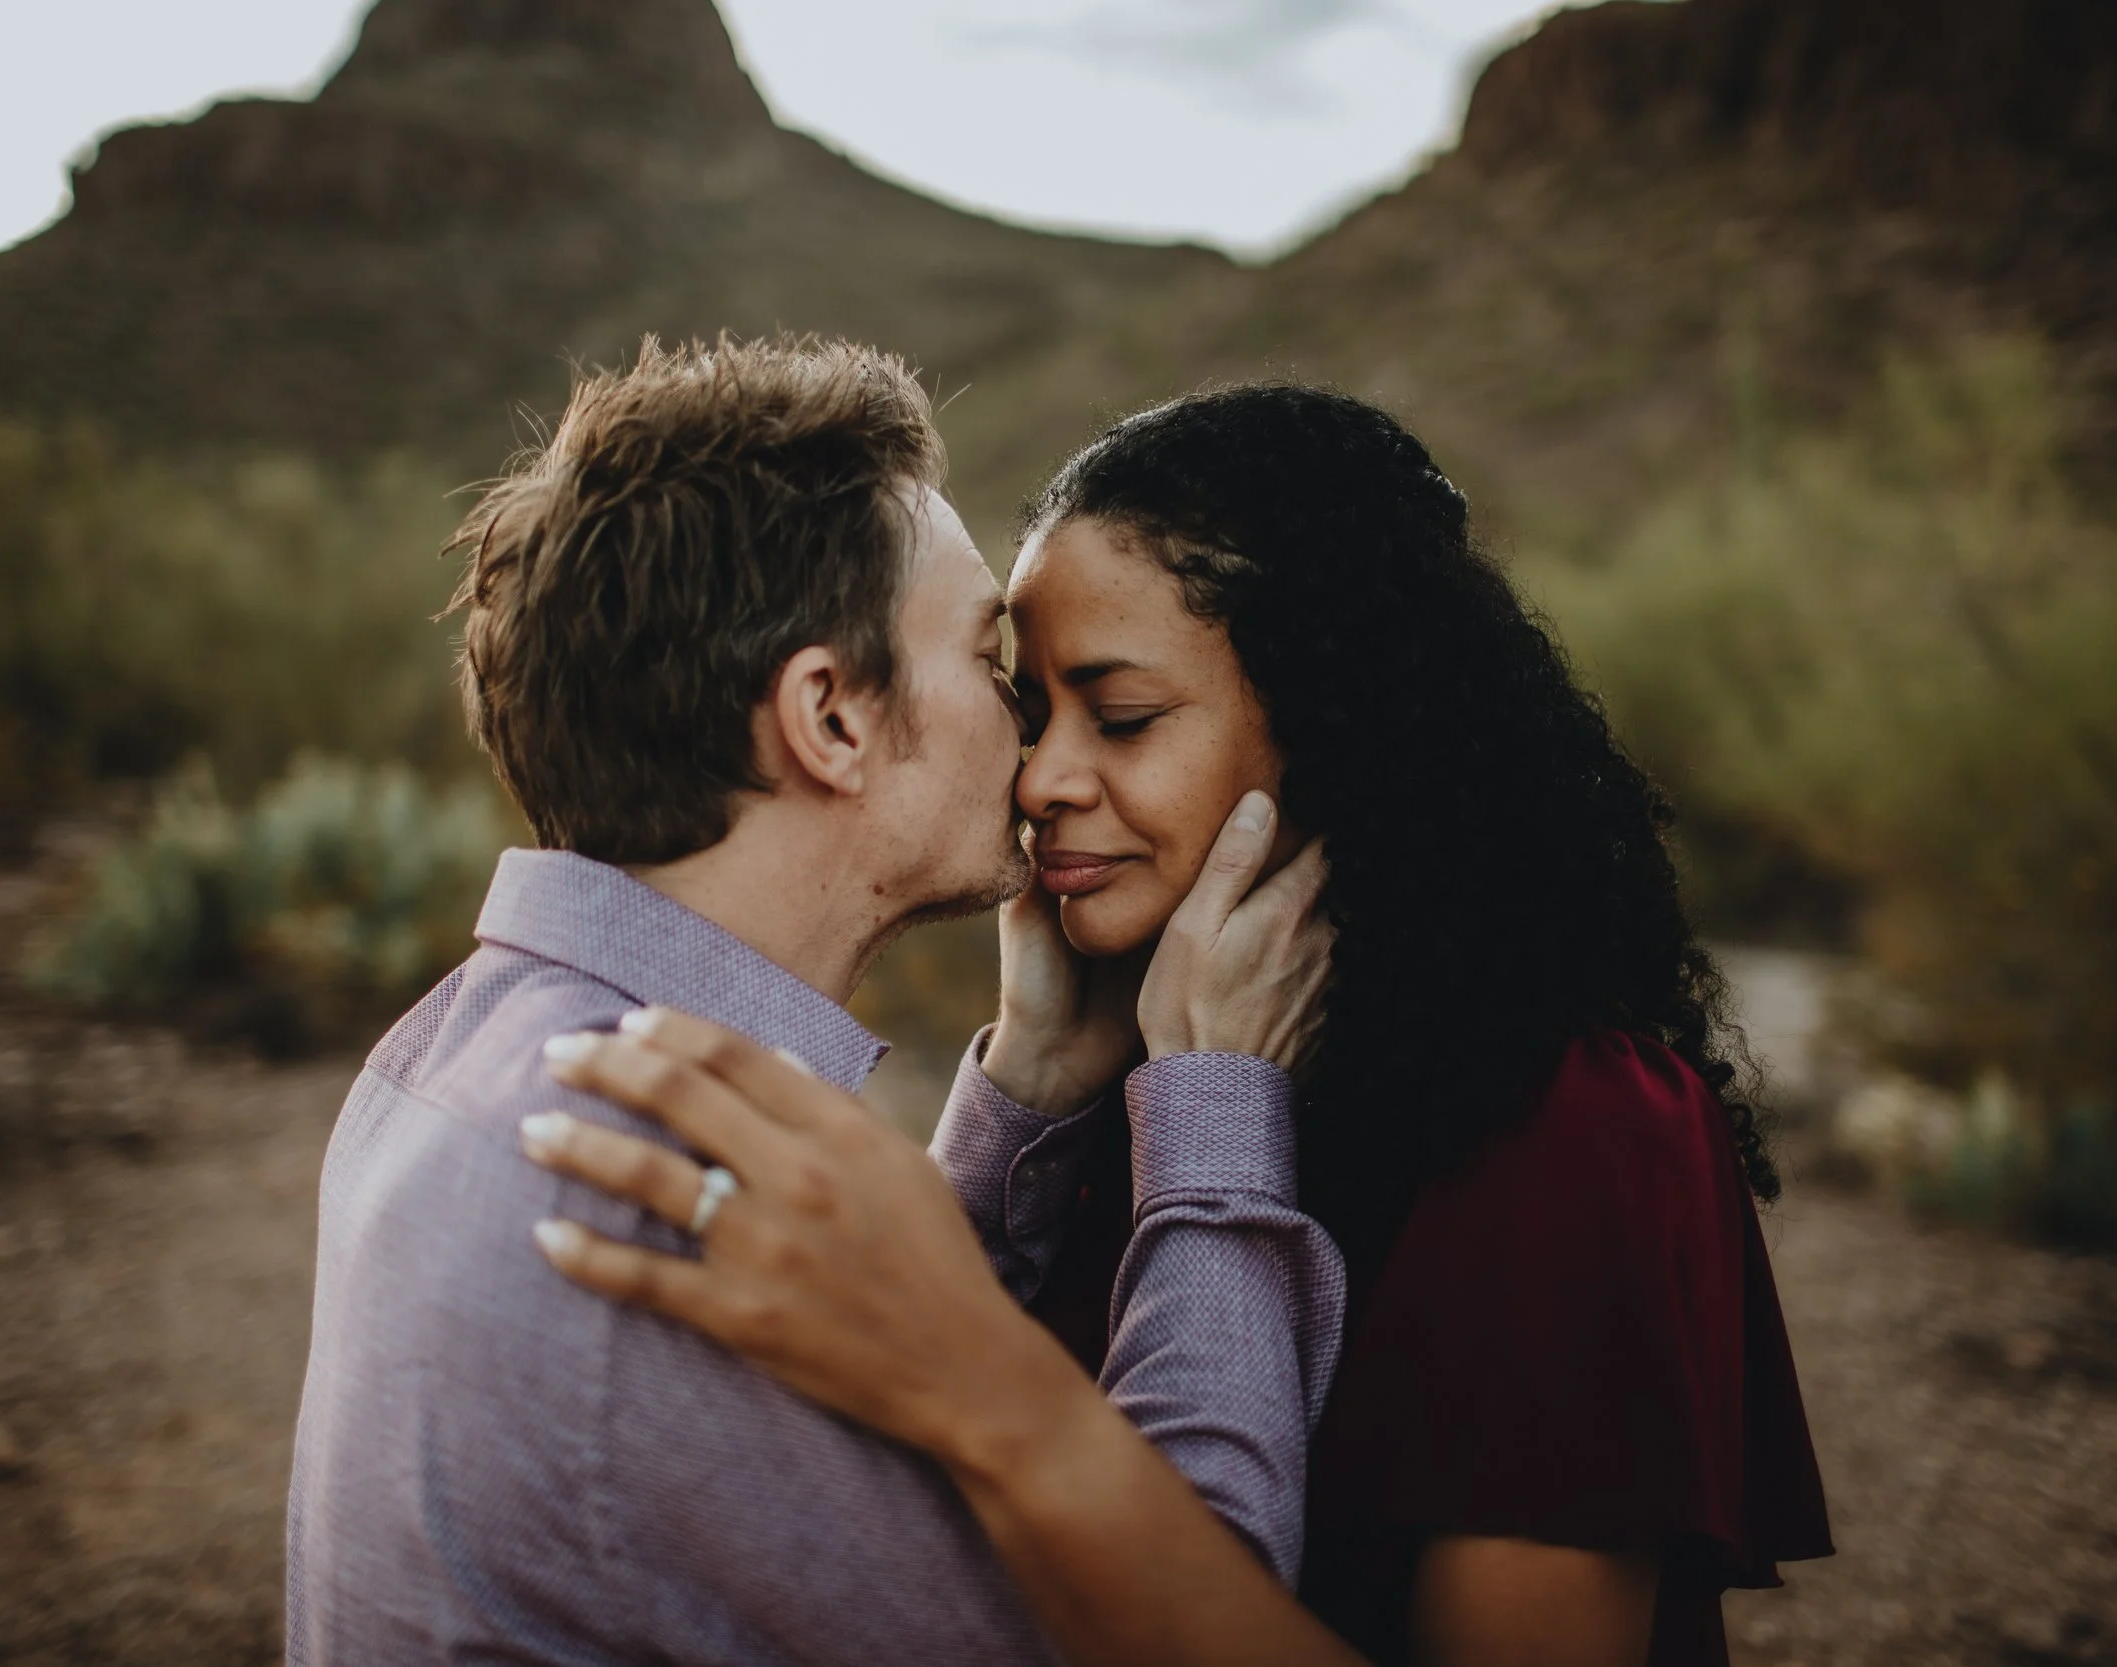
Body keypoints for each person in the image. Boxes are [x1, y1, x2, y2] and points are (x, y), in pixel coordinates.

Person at [528, 383, 1835, 1667]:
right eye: (1031, 710)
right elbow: (911, 1486)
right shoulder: (1129, 1076)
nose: (1040, 779)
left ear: (1339, 728)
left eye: (1126, 715)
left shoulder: (1575, 1128)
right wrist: (1026, 1093)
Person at [283, 339, 1344, 1666]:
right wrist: (1215, 1099)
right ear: (831, 716)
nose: (1032, 742)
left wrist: (1024, 1084)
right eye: (986, 657)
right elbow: (1175, 1607)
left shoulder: (457, 1041)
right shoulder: (645, 1183)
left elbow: (907, 1388)